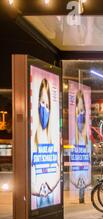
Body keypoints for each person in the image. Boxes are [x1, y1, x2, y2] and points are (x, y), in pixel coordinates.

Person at [31, 78, 60, 209]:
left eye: (47, 105)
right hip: (37, 192)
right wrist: (38, 190)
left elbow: (58, 167)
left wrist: (48, 187)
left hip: (50, 189)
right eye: (42, 103)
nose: (44, 108)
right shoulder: (32, 137)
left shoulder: (52, 137)